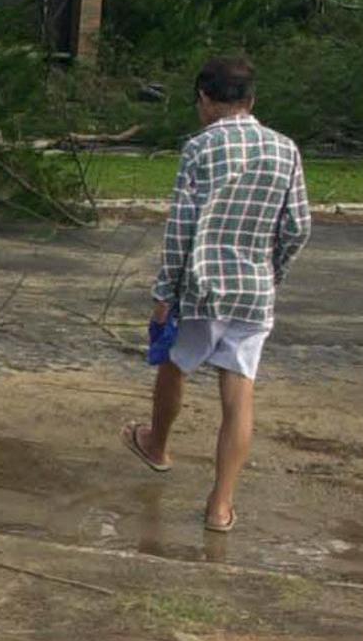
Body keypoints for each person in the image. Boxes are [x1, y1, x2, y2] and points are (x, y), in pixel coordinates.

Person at [121, 56, 310, 534]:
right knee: (239, 390)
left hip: (203, 284)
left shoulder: (200, 149)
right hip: (254, 288)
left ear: (205, 100)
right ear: (252, 100)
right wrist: (273, 271)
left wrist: (165, 291)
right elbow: (297, 226)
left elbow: (181, 227)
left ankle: (156, 444)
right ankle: (220, 507)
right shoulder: (286, 150)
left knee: (175, 364)